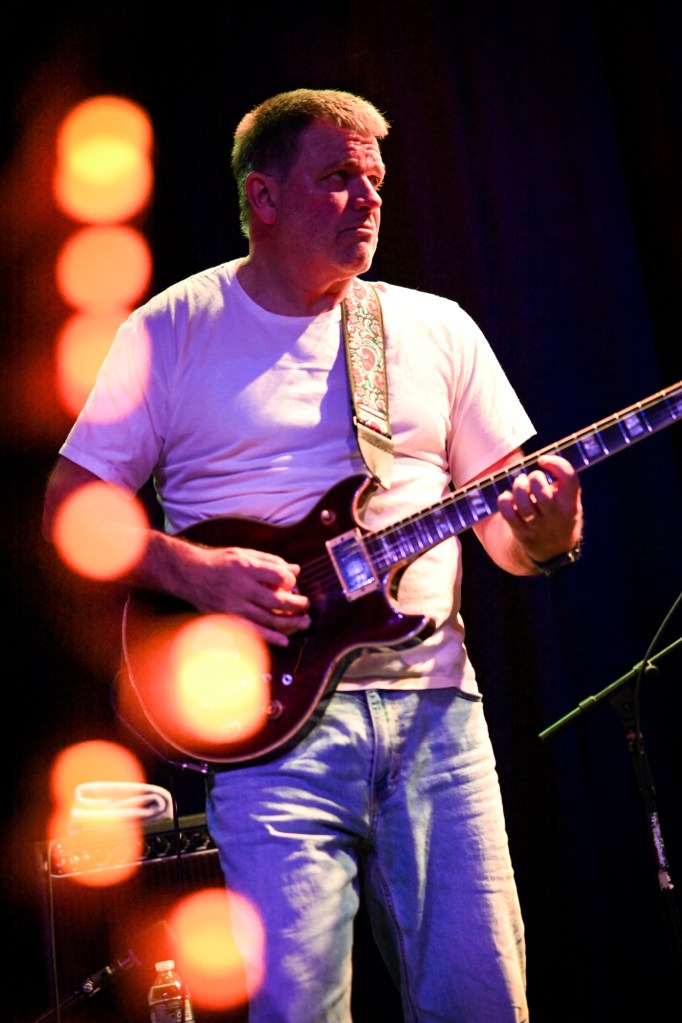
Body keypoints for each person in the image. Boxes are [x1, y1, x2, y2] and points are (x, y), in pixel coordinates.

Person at [43, 88, 583, 1022]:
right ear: (263, 195)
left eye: (376, 181)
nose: (369, 200)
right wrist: (191, 570)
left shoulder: (435, 328)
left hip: (435, 715)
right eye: (339, 178)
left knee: (484, 1001)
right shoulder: (170, 330)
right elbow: (70, 511)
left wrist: (550, 527)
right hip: (269, 733)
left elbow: (511, 537)